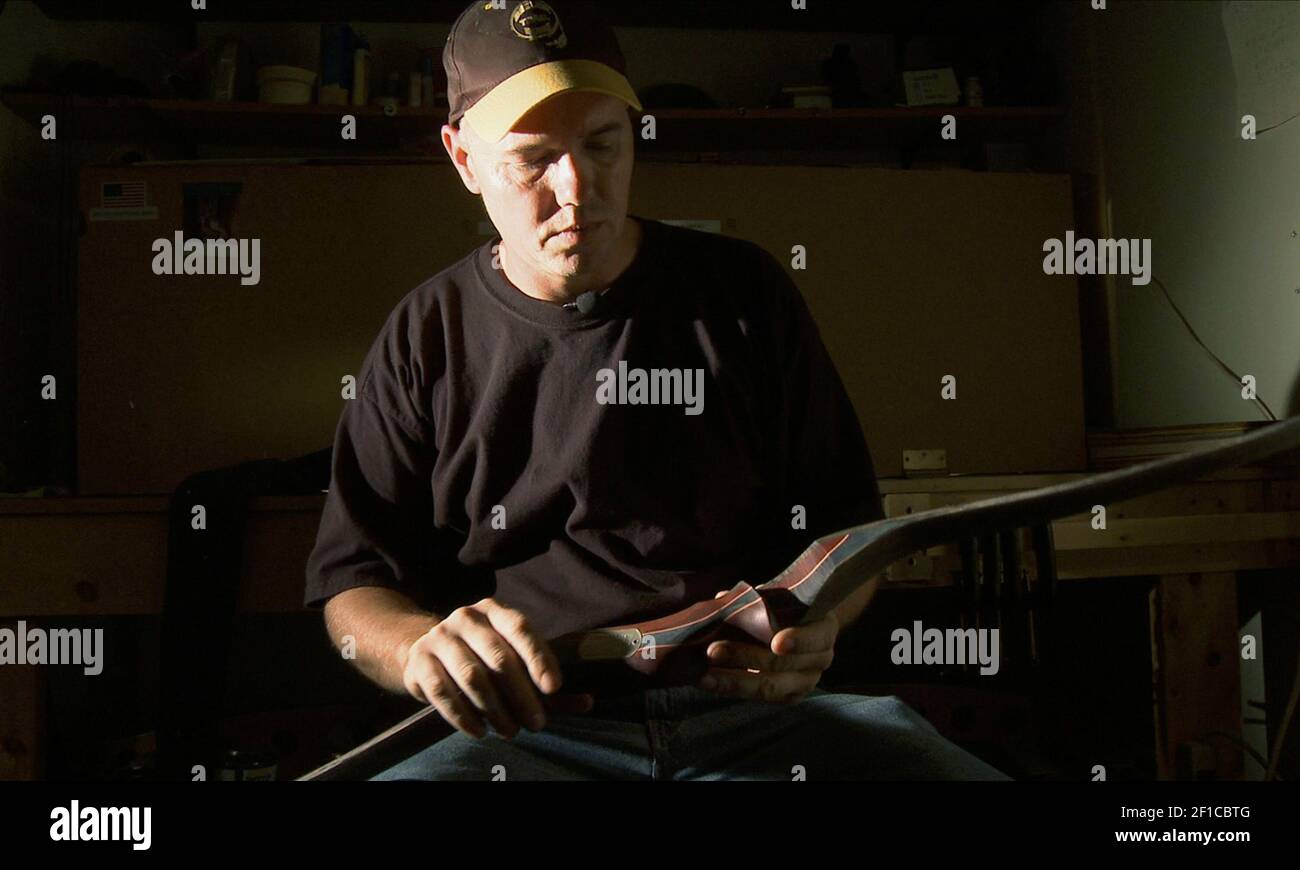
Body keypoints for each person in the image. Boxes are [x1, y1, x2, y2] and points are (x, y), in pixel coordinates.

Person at [305, 0, 1009, 781]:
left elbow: (848, 531)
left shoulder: (744, 295)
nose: (578, 187)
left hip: (751, 717)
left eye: (603, 143)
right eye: (534, 158)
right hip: (525, 734)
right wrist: (418, 649)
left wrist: (820, 625)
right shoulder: (424, 335)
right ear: (464, 159)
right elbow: (352, 584)